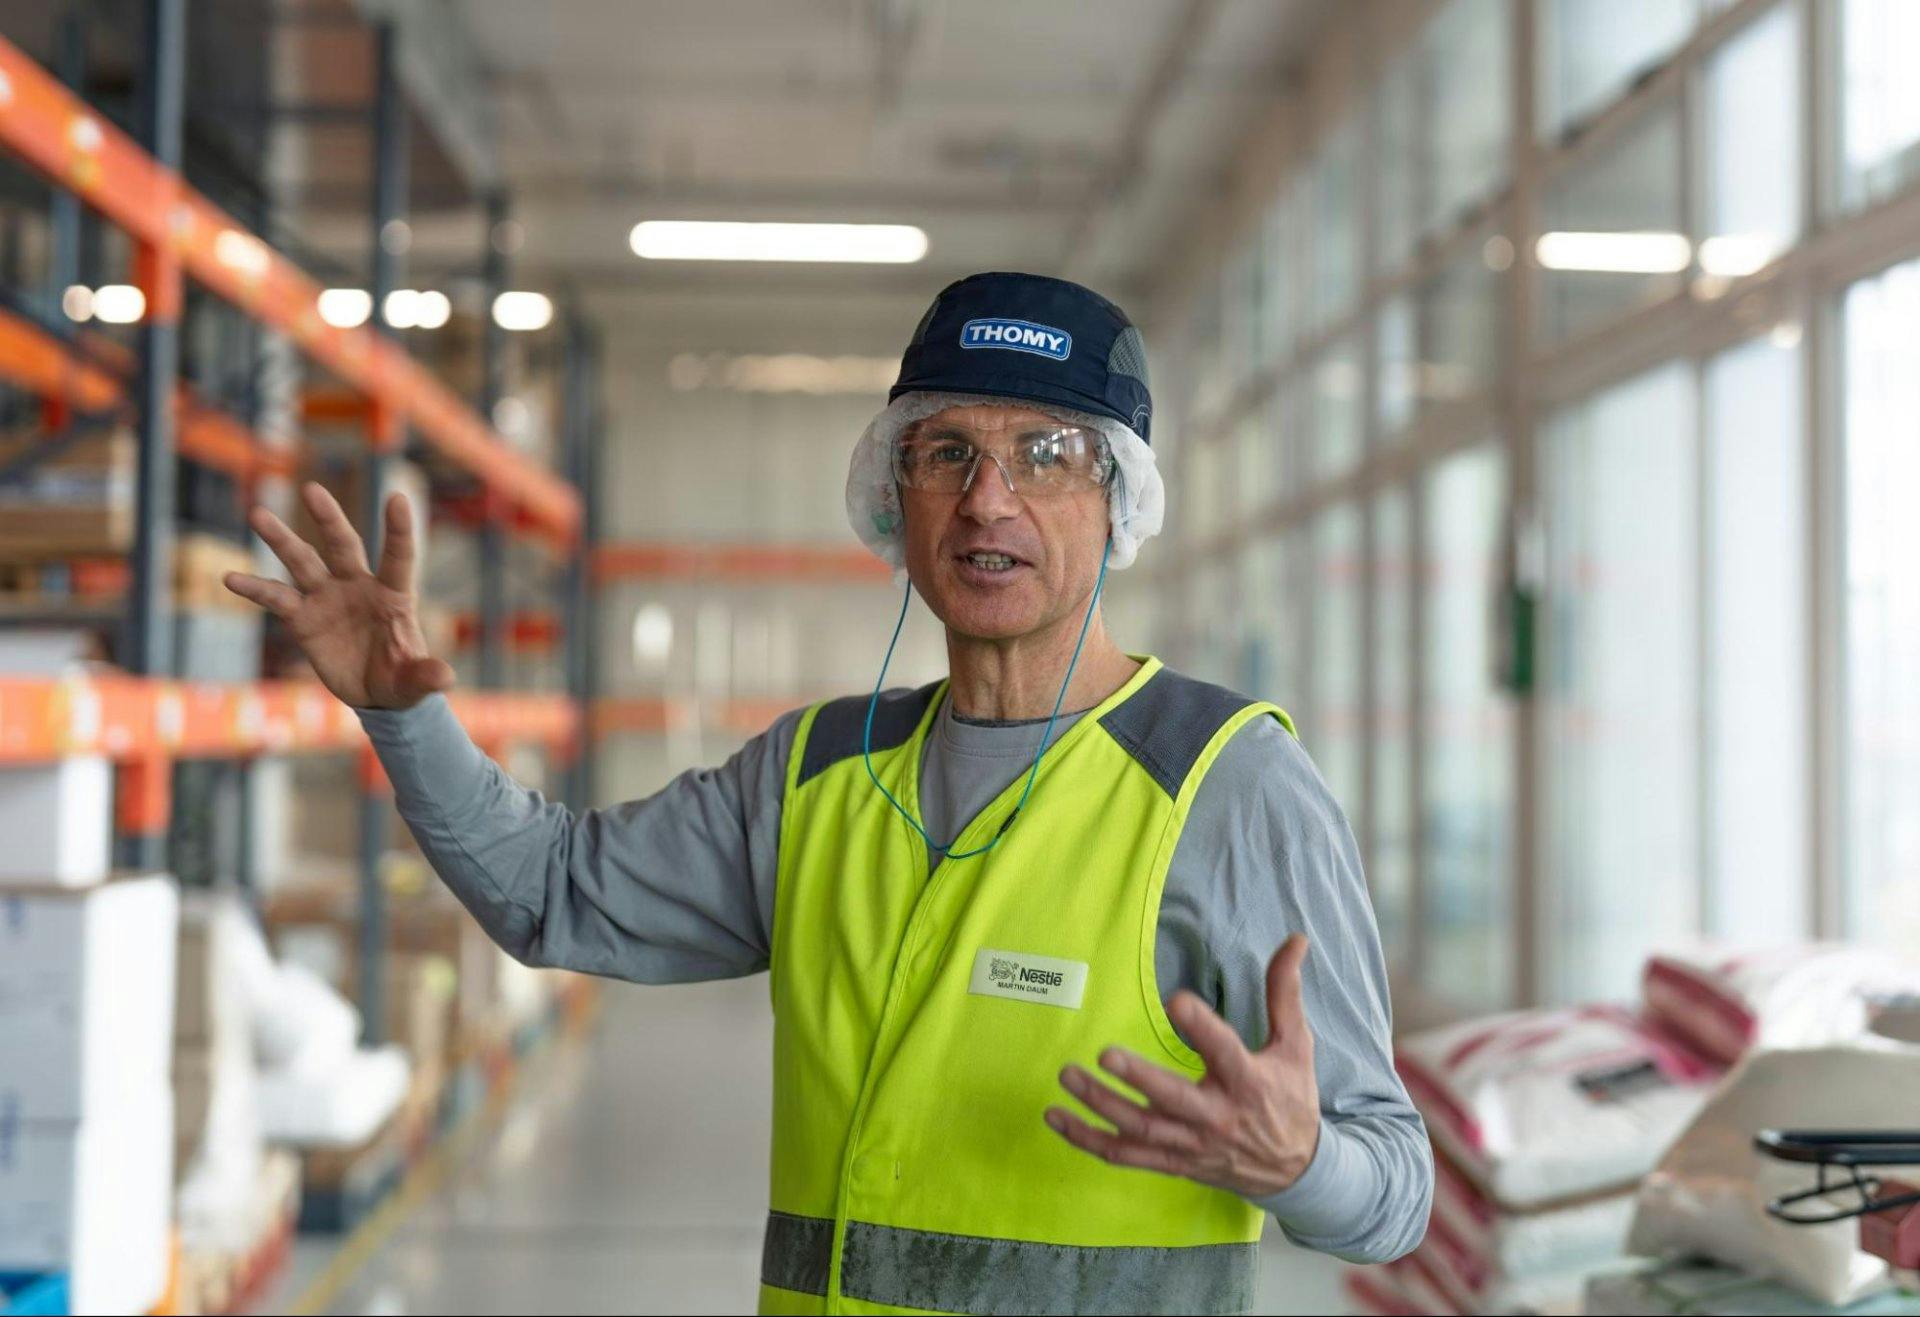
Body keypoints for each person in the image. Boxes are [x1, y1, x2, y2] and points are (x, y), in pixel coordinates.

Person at [225, 271, 1432, 1315]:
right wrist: (402, 714)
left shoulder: (1226, 785)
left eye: (1046, 455)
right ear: (891, 496)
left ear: (1121, 499)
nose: (988, 498)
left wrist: (1299, 1164)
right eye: (945, 453)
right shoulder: (818, 773)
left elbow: (1395, 1191)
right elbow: (551, 892)